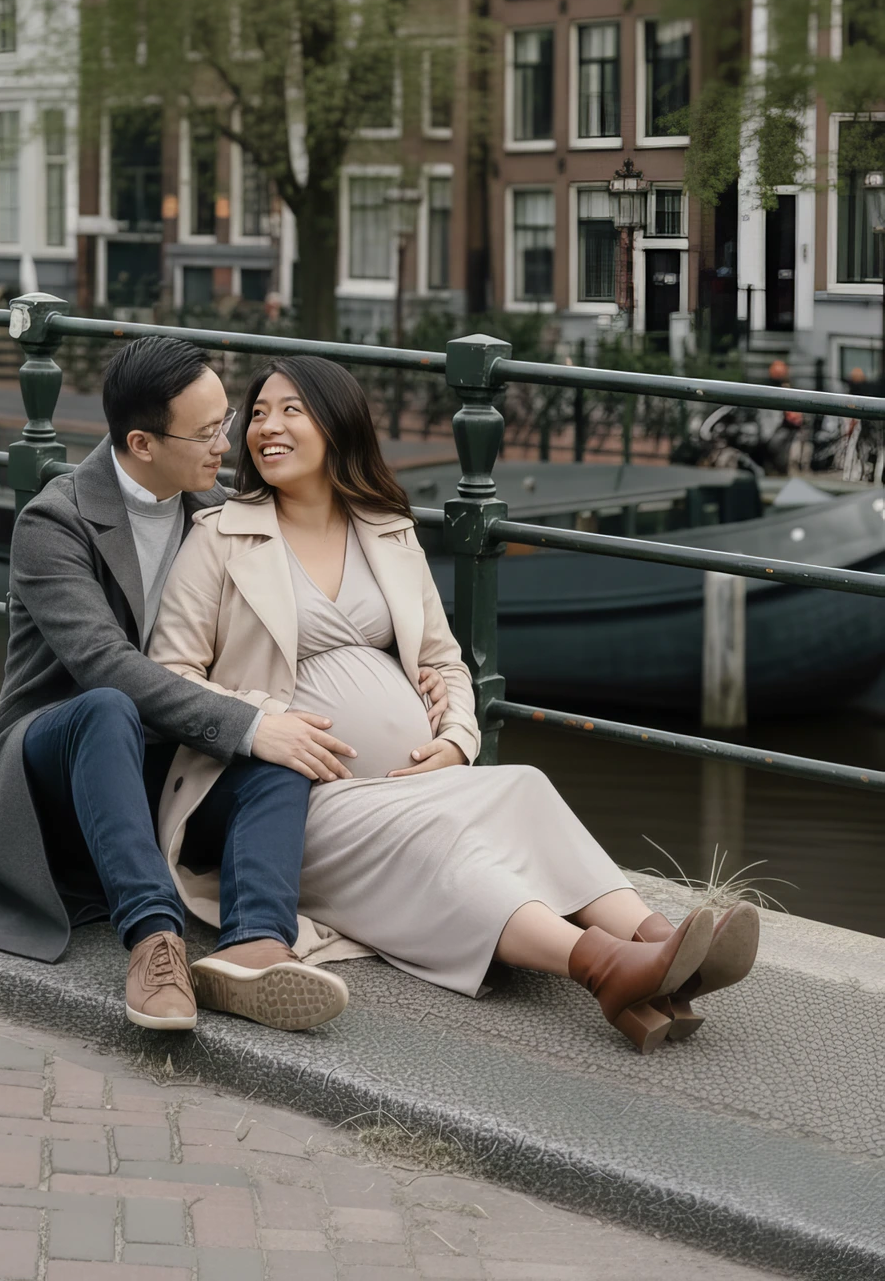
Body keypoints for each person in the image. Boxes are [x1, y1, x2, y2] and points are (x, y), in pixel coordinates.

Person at [147, 356, 761, 1053]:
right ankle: (606, 969)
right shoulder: (221, 537)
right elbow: (171, 675)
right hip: (296, 798)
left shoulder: (386, 531)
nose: (267, 427)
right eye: (257, 413)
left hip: (408, 780)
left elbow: (445, 662)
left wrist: (455, 739)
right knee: (442, 844)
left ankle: (660, 941)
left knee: (524, 786)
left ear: (338, 425)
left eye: (292, 410)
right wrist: (266, 720)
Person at [0, 337, 448, 1035]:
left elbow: (308, 605)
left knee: (282, 743)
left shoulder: (216, 512)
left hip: (167, 768)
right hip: (56, 769)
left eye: (228, 418)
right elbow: (104, 662)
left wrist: (409, 666)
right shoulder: (55, 520)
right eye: (208, 431)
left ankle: (256, 948)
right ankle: (155, 944)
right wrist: (247, 724)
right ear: (142, 443)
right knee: (111, 708)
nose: (230, 443)